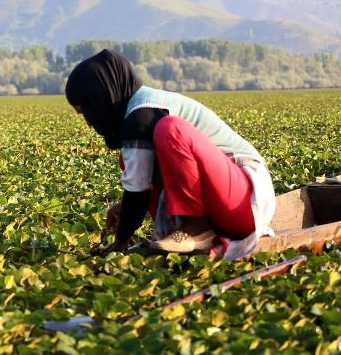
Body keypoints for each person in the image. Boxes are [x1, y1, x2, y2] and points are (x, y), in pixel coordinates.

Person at [65, 50, 275, 259]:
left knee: (170, 128)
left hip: (244, 203)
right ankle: (177, 233)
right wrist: (125, 209)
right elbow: (142, 188)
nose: (89, 122)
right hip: (220, 203)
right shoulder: (136, 112)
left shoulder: (144, 113)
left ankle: (196, 228)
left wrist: (120, 242)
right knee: (135, 158)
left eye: (86, 112)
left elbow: (137, 194)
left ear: (101, 97)